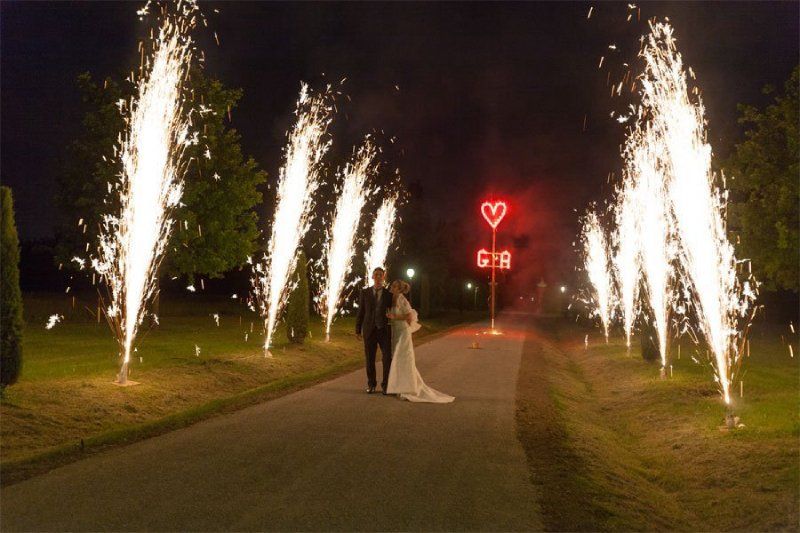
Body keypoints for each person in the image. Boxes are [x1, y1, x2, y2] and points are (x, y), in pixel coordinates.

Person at [385, 280, 454, 403]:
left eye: (394, 286)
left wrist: (394, 317)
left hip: (403, 333)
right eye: (392, 285)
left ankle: (406, 388)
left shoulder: (402, 299)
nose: (391, 287)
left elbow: (409, 316)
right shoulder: (392, 298)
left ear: (400, 289)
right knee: (397, 359)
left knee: (403, 359)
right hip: (396, 332)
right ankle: (398, 386)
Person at [355, 267, 393, 394]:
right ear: (372, 277)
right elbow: (361, 312)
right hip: (369, 330)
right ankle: (371, 384)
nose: (378, 277)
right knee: (370, 358)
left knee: (387, 358)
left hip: (384, 330)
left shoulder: (389, 294)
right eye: (376, 275)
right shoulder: (364, 292)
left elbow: (394, 311)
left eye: (380, 275)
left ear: (383, 277)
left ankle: (386, 385)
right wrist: (357, 330)